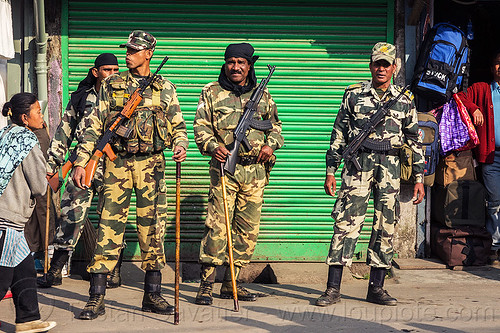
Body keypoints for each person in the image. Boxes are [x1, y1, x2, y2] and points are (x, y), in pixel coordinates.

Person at [72, 30, 188, 320]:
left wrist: (181, 145)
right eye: (127, 49)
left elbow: (178, 125)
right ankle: (96, 298)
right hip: (117, 164)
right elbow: (93, 126)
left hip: (152, 165)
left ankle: (152, 295)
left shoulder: (165, 88)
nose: (128, 54)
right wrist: (81, 161)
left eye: (135, 50)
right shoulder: (111, 84)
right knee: (109, 227)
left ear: (149, 54)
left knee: (153, 228)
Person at [316, 42, 425, 307]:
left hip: (390, 168)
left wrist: (420, 179)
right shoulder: (353, 95)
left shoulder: (404, 100)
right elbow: (338, 133)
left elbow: (414, 140)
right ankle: (333, 288)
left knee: (386, 225)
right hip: (358, 166)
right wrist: (331, 170)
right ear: (370, 65)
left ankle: (376, 288)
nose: (381, 69)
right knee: (345, 223)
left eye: (386, 64)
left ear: (394, 67)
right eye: (377, 63)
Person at [193, 43, 284, 305]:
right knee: (217, 228)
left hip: (255, 172)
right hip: (225, 169)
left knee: (247, 230)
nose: (236, 67)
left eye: (241, 62)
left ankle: (232, 283)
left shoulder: (263, 94)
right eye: (231, 62)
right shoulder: (211, 92)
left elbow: (276, 127)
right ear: (225, 64)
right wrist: (213, 147)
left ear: (249, 65)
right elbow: (200, 128)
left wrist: (271, 145)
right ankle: (206, 284)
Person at [37, 53, 120, 289]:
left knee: (111, 218)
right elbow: (64, 133)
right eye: (107, 70)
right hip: (82, 166)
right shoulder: (81, 97)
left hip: (114, 167)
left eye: (116, 70)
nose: (112, 75)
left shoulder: (124, 98)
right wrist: (51, 166)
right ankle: (55, 270)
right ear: (96, 72)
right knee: (70, 215)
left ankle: (112, 271)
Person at [0, 93, 56, 332]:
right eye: (38, 112)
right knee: (2, 278)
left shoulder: (4, 134)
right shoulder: (27, 140)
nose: (42, 118)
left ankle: (28, 319)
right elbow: (38, 185)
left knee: (25, 270)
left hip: (9, 218)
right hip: (8, 218)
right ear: (25, 117)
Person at [457, 49, 500, 265]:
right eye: (498, 63)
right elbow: (459, 96)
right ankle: (494, 246)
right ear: (492, 67)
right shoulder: (483, 89)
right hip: (492, 158)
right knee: (494, 201)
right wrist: (474, 108)